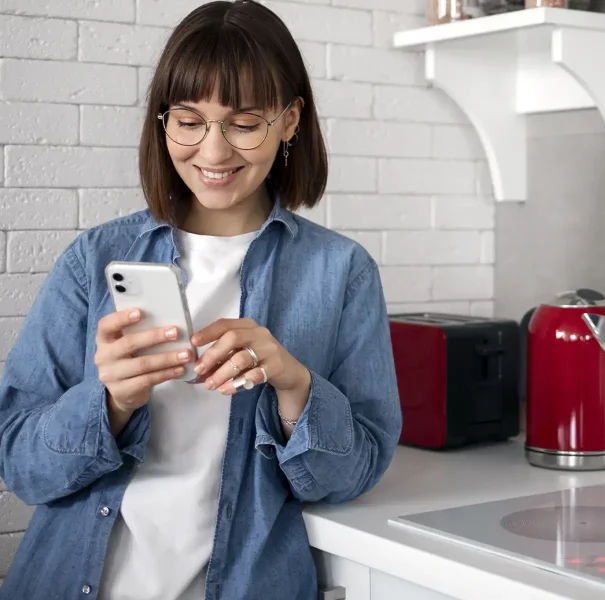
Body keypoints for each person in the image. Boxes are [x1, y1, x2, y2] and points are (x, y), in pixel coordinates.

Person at [0, 1, 402, 598]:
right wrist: (109, 403)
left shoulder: (340, 272)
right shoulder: (95, 258)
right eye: (189, 121)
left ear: (289, 121)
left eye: (244, 123)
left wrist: (294, 385)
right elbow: (19, 464)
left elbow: (352, 474)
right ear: (163, 121)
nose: (213, 153)